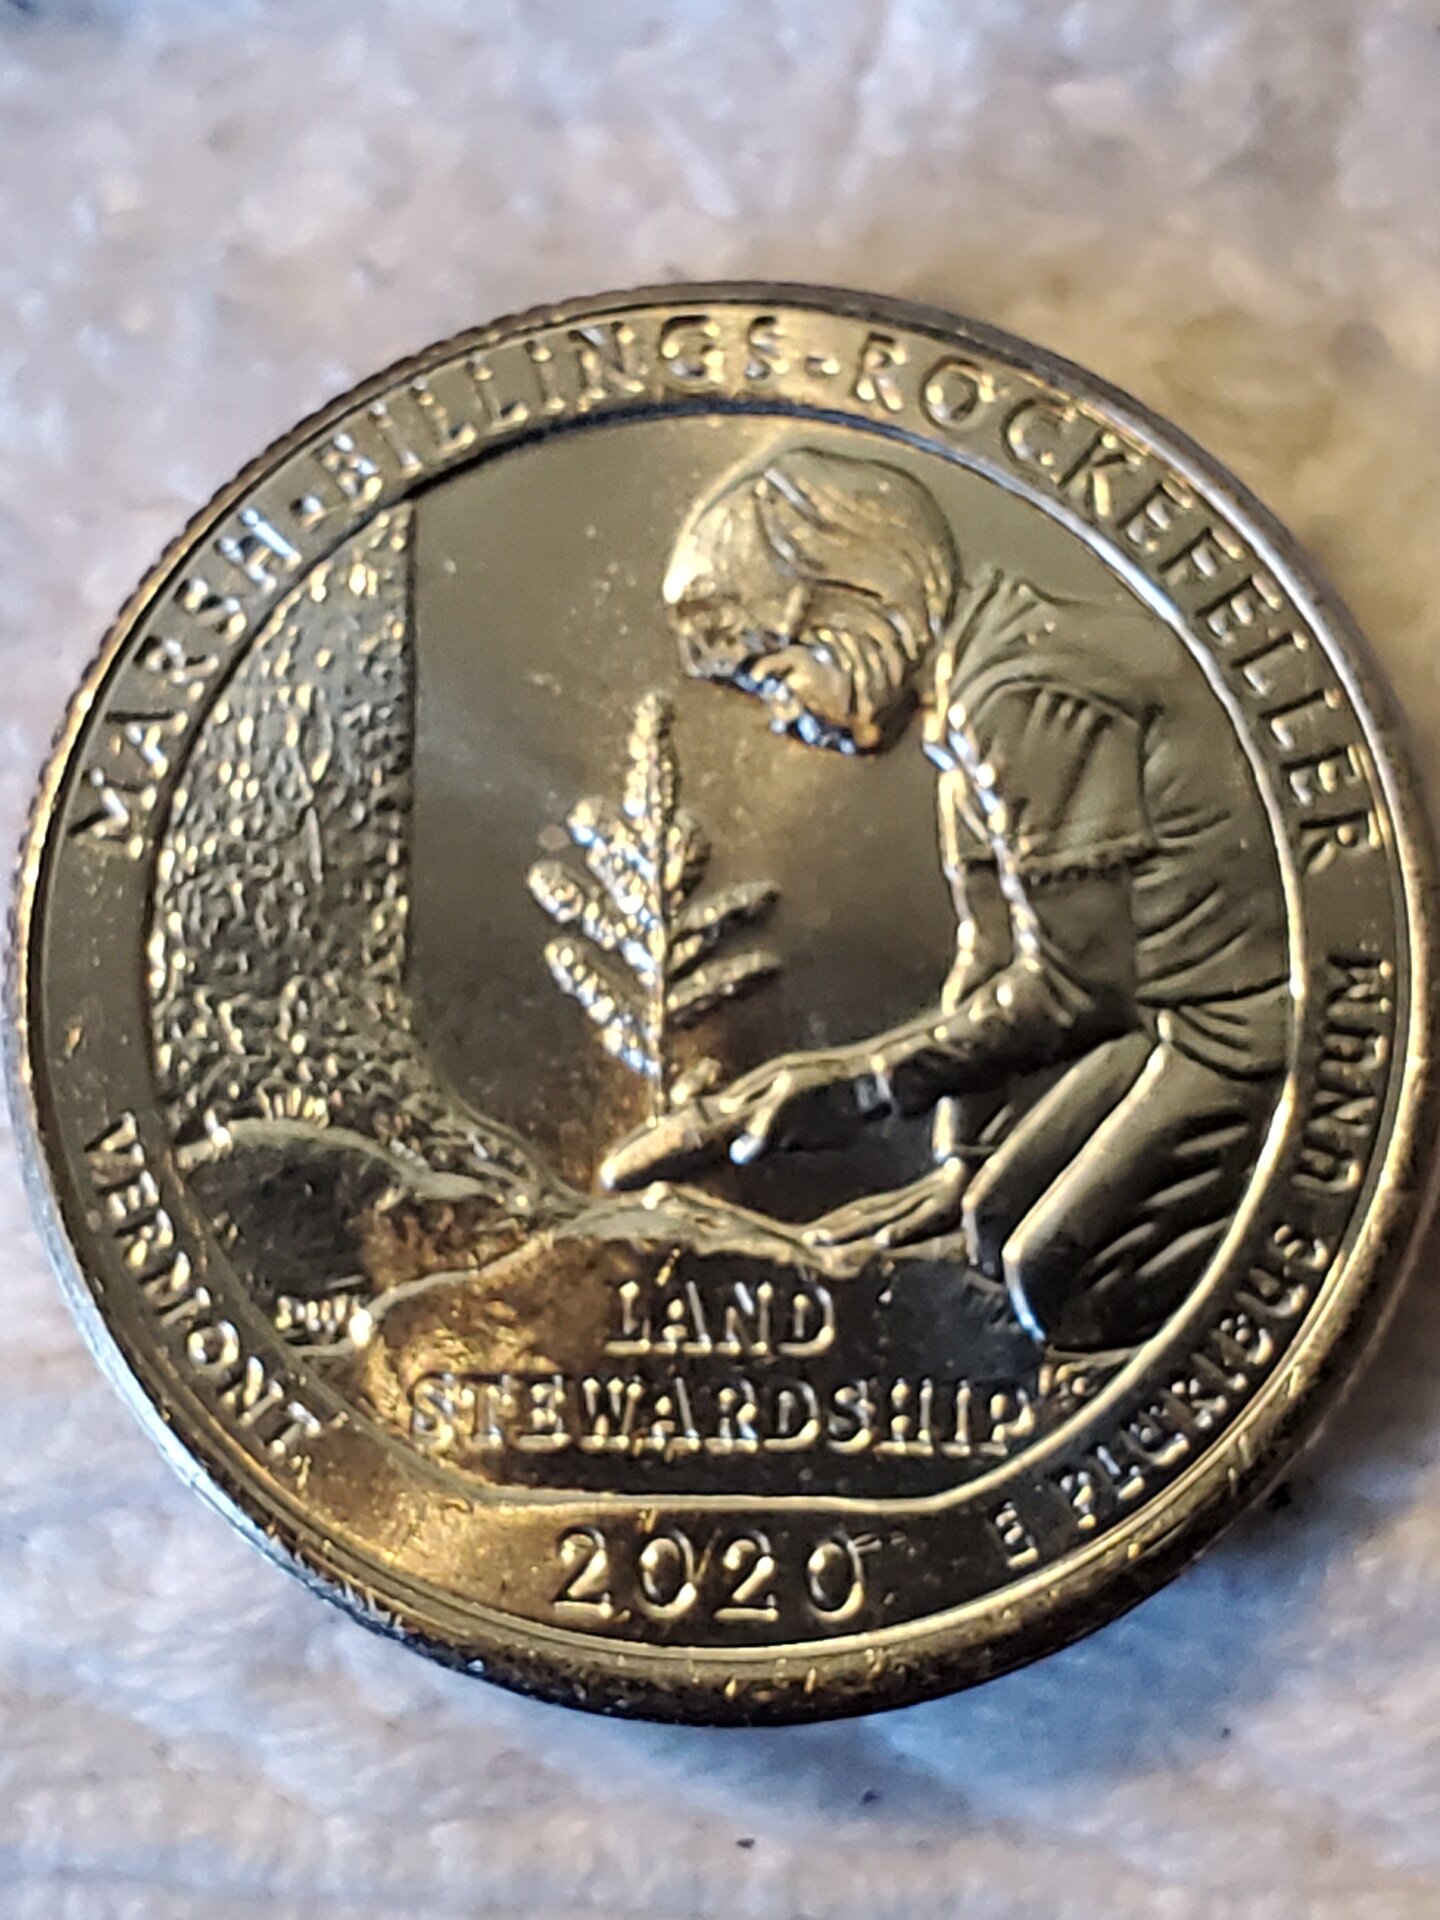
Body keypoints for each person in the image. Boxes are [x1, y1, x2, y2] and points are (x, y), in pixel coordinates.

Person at [600, 444, 1288, 1351]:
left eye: (772, 677)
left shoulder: (1024, 695)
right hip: (1163, 1029)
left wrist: (859, 1089)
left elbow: (1077, 989)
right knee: (993, 1220)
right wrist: (963, 1164)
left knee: (1050, 1278)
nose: (777, 716)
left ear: (847, 613)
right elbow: (994, 954)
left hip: (1247, 1035)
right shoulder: (966, 706)